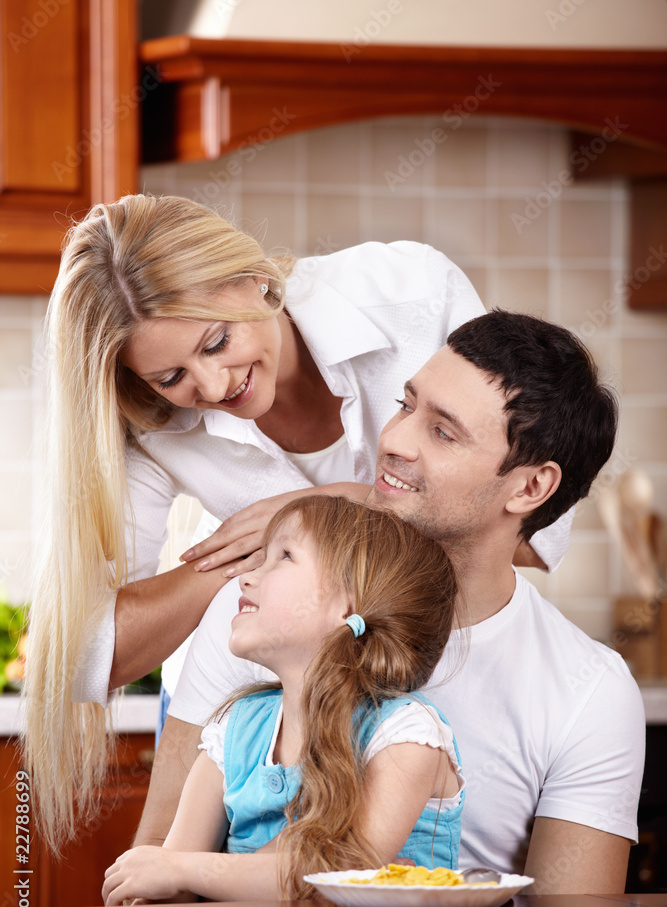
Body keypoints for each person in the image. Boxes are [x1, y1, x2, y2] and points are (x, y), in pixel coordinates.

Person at [25, 193, 567, 852]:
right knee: (184, 903)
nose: (212, 383)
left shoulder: (406, 294)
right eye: (171, 375)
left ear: (255, 279)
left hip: (438, 672)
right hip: (251, 707)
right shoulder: (152, 424)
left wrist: (332, 507)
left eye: (216, 341)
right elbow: (89, 658)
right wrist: (240, 555)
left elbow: (533, 533)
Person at [135, 310, 645, 894]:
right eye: (406, 406)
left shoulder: (589, 690)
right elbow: (156, 872)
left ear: (530, 487)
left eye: (443, 432)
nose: (395, 440)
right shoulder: (253, 613)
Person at [101, 496, 462, 904]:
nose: (247, 578)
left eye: (284, 556)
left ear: (349, 603)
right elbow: (168, 888)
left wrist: (182, 870)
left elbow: (337, 870)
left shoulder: (405, 736)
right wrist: (152, 888)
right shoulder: (235, 731)